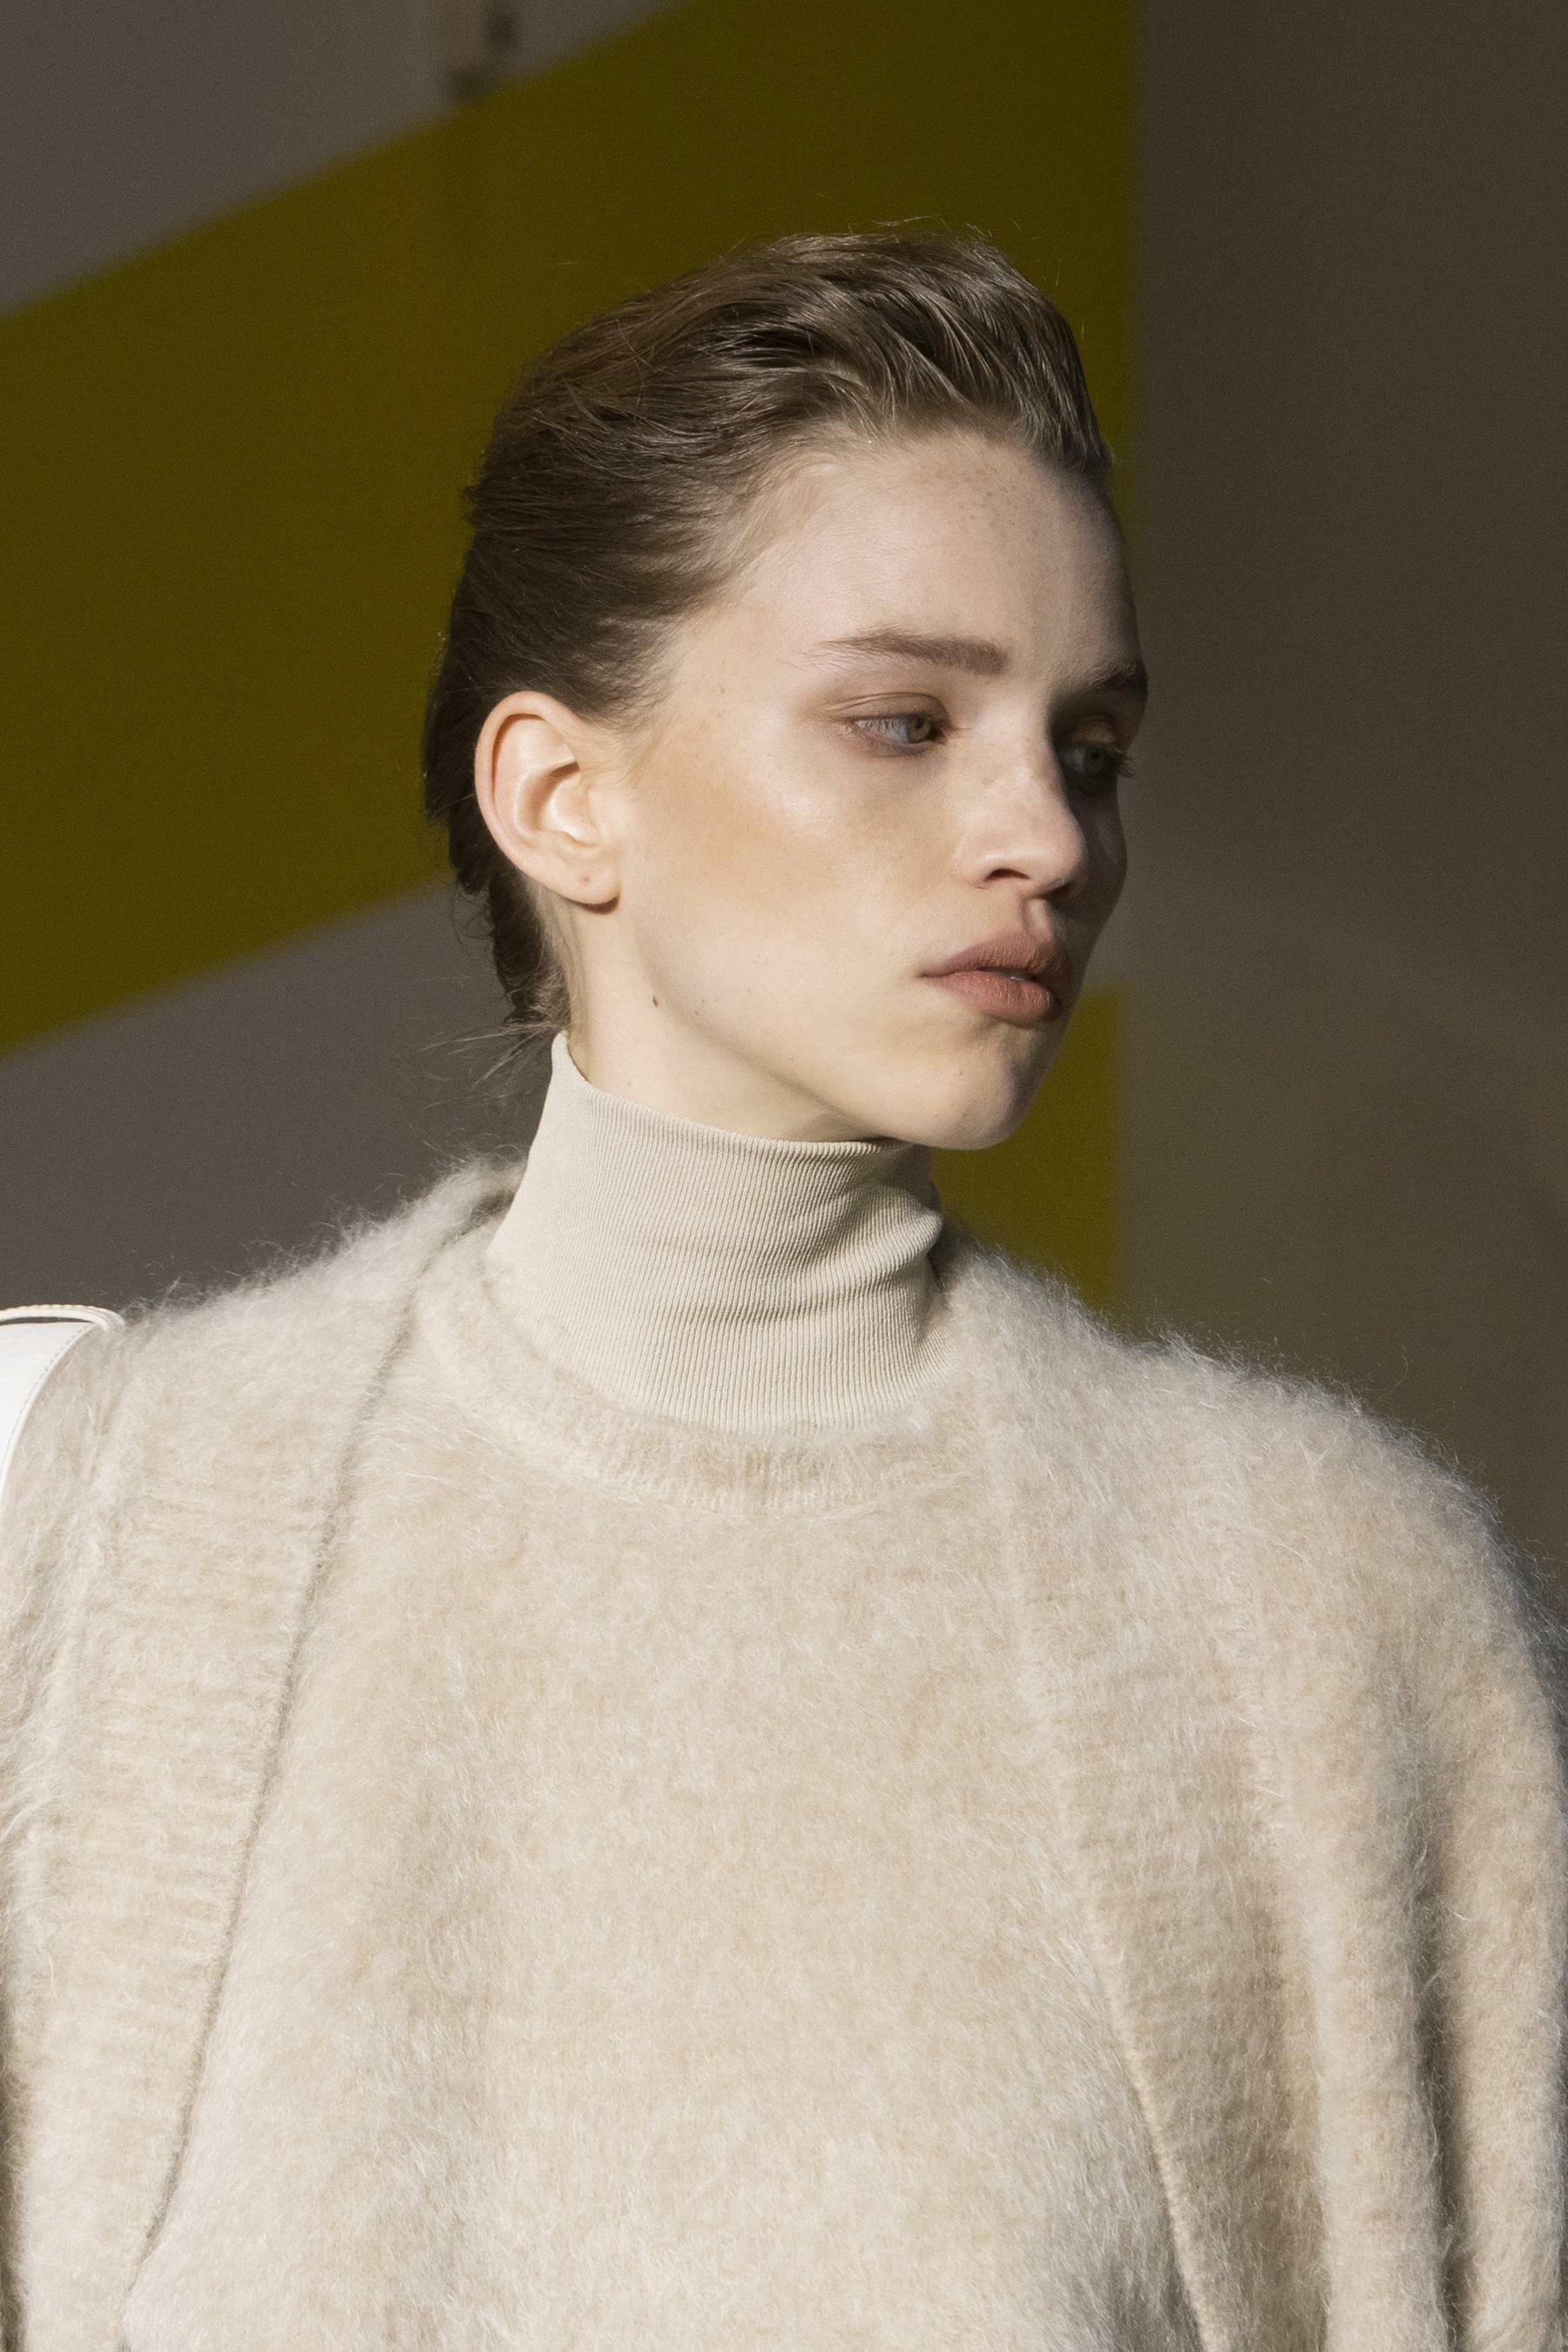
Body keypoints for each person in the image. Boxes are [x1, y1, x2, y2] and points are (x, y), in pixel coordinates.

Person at [1, 228, 1564, 2352]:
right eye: (903, 721)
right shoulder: (105, 1522)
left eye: (1090, 747)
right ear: (563, 796)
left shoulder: (1329, 1609)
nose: (1047, 837)